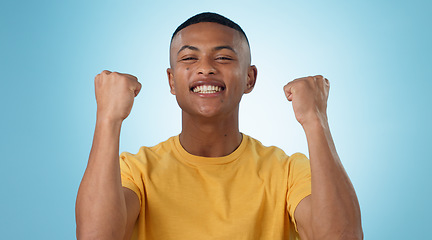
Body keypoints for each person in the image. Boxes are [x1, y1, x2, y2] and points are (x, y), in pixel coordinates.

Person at [75, 12, 363, 240]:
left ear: (250, 78)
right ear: (172, 81)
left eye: (223, 57)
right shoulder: (133, 171)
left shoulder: (288, 172)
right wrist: (108, 119)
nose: (206, 68)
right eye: (189, 58)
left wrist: (316, 121)